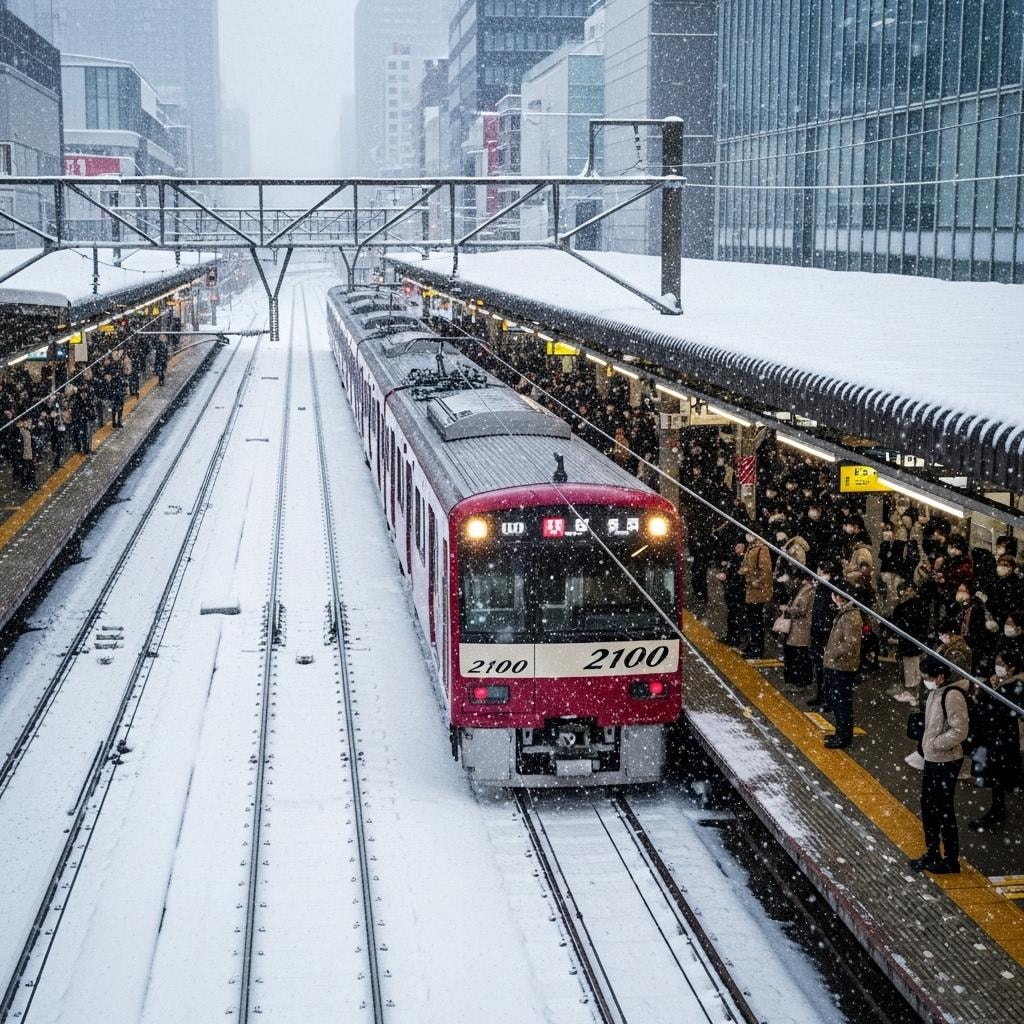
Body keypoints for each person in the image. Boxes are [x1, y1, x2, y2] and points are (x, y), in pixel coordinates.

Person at [910, 655, 970, 874]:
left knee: (943, 809)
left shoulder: (952, 695)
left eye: (928, 676)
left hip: (946, 761)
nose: (925, 680)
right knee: (928, 806)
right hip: (933, 759)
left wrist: (935, 744)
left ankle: (951, 859)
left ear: (942, 676)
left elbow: (960, 730)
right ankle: (933, 851)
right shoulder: (935, 692)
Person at [968, 649, 1024, 832]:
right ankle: (998, 806)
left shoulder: (1016, 686)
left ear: (1012, 667)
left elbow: (997, 710)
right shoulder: (1008, 683)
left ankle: (997, 810)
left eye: (1001, 663)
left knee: (998, 774)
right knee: (999, 775)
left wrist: (990, 691)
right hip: (1000, 737)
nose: (997, 666)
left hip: (1002, 738)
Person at [822, 590, 863, 748]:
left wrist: (831, 652)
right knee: (838, 701)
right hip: (837, 664)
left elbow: (850, 644)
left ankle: (843, 737)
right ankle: (841, 732)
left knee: (842, 703)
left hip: (843, 666)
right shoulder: (846, 613)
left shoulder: (851, 616)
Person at [890, 582, 929, 703]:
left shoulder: (911, 605)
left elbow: (902, 621)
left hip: (910, 642)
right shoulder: (918, 604)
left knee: (911, 669)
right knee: (912, 668)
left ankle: (913, 694)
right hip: (913, 642)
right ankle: (913, 692)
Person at [739, 531, 772, 658]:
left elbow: (766, 571)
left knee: (756, 620)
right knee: (752, 619)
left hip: (757, 591)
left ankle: (757, 648)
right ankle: (753, 645)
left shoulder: (761, 549)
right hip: (751, 589)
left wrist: (756, 582)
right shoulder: (752, 547)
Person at [781, 575, 815, 687]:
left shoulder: (809, 590)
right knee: (797, 653)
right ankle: (797, 680)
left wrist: (788, 609)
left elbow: (801, 609)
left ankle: (800, 681)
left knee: (798, 654)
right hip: (798, 626)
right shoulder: (804, 588)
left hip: (801, 626)